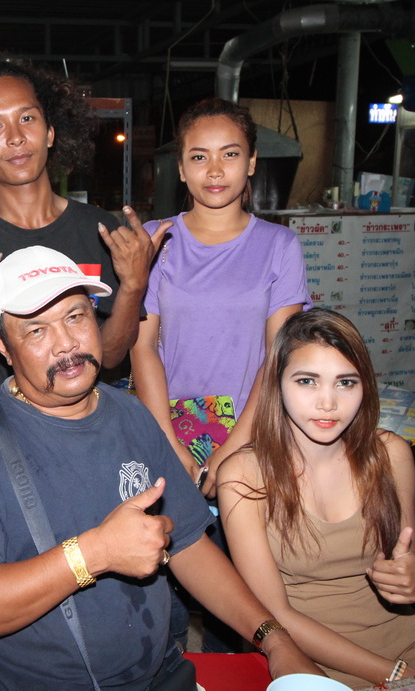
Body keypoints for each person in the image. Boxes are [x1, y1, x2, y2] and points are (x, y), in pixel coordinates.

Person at [0, 246, 322, 689]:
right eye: (36, 330)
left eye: (76, 316)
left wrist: (273, 639)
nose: (66, 343)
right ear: (2, 347)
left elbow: (188, 543)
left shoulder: (129, 414)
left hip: (158, 674)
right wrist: (94, 553)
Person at [217, 309, 415, 689]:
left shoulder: (390, 454)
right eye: (307, 381)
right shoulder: (244, 475)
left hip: (406, 643)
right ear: (276, 384)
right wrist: (396, 676)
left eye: (345, 382)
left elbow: (404, 561)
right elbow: (275, 613)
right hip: (302, 656)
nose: (327, 402)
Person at [0, 55, 167, 408]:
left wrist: (134, 286)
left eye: (27, 118)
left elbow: (108, 357)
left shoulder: (102, 234)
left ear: (49, 132)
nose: (15, 138)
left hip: (82, 425)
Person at [130, 97, 310, 496]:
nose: (214, 170)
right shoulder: (155, 238)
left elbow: (278, 355)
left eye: (230, 154)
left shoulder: (280, 245)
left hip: (254, 430)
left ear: (251, 162)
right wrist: (167, 441)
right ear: (181, 168)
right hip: (167, 426)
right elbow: (142, 346)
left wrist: (233, 448)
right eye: (199, 157)